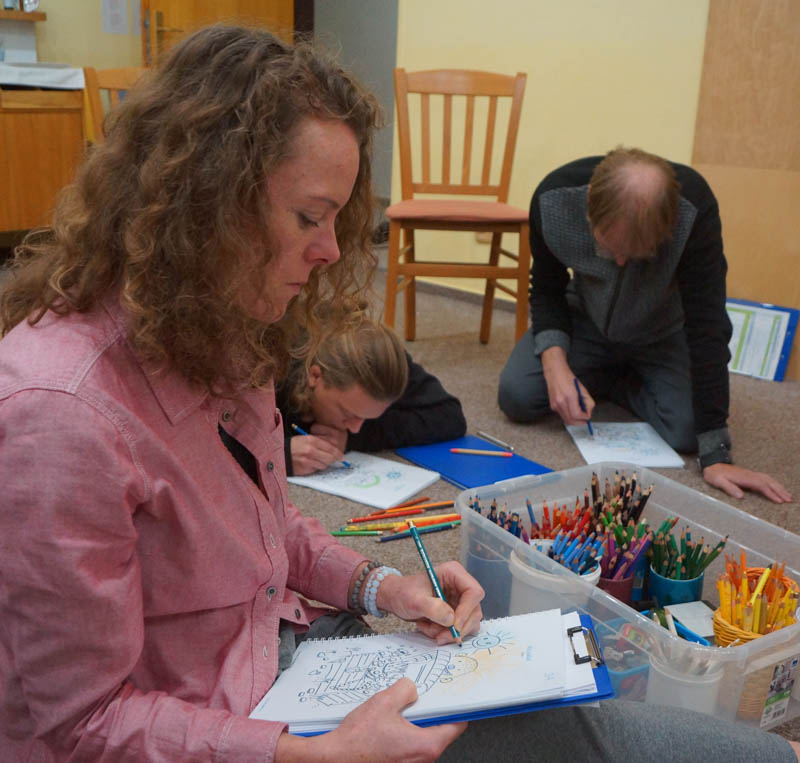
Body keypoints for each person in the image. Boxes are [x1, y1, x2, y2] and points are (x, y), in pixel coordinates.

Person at [0, 28, 796, 762]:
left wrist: (382, 584)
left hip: (285, 651)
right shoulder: (61, 413)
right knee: (548, 734)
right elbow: (81, 721)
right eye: (310, 217)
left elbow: (264, 535)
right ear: (204, 203)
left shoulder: (221, 322)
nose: (330, 250)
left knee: (540, 707)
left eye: (339, 219)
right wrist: (309, 753)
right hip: (226, 720)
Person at [498, 147, 793, 505]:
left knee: (687, 431)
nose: (621, 261)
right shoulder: (552, 198)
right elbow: (546, 290)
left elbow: (708, 325)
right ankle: (607, 373)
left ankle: (616, 379)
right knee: (517, 395)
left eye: (637, 254)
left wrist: (716, 454)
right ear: (589, 207)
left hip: (662, 333)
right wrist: (555, 365)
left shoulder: (695, 210)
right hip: (585, 321)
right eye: (609, 249)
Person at [277, 302, 467, 475]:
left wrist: (355, 439)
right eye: (347, 413)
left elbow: (450, 416)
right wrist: (280, 455)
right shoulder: (274, 372)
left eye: (367, 418)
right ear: (315, 376)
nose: (356, 428)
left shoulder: (382, 362)